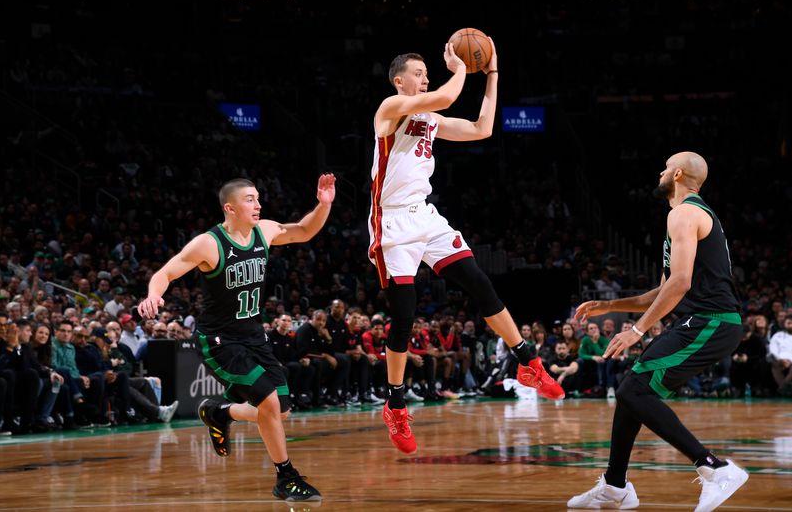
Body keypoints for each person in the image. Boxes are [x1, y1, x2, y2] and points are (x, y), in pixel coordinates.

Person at [371, 39, 564, 454]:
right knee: (403, 317)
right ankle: (396, 403)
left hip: (424, 215)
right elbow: (446, 94)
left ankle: (529, 362)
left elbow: (482, 128)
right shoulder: (389, 110)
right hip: (392, 221)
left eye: (427, 74)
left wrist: (491, 74)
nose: (426, 80)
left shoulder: (430, 119)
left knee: (481, 285)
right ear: (399, 80)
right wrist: (460, 66)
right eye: (419, 75)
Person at [138, 175, 336, 502]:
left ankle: (220, 412)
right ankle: (286, 477)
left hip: (253, 336)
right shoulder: (209, 243)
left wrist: (323, 205)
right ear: (230, 208)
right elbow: (167, 272)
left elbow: (304, 230)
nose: (258, 205)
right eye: (249, 200)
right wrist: (153, 295)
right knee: (270, 403)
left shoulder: (265, 231)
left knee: (280, 411)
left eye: (258, 198)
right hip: (219, 341)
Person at [569, 152, 748, 512]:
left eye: (666, 168)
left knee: (633, 389)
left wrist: (637, 330)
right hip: (702, 320)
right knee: (632, 390)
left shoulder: (683, 213)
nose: (661, 172)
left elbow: (680, 284)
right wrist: (610, 306)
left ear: (678, 174)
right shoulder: (688, 216)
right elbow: (664, 288)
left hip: (711, 320)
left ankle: (714, 468)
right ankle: (615, 486)